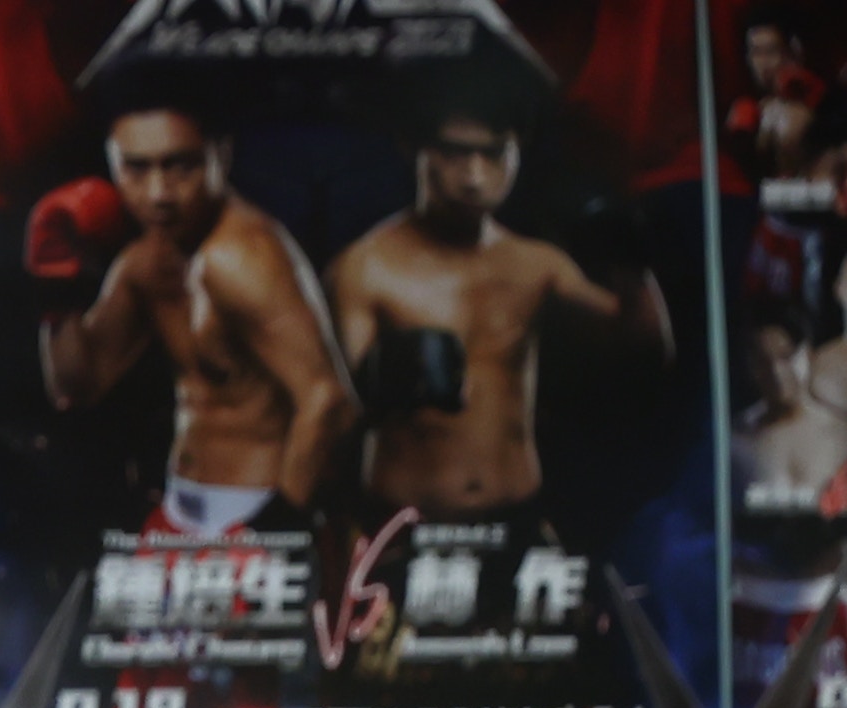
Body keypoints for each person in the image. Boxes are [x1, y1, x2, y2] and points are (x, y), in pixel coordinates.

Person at [325, 104, 663, 519]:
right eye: (455, 153)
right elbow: (333, 409)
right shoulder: (365, 267)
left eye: (494, 154)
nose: (474, 176)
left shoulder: (538, 265)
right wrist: (387, 378)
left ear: (517, 152)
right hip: (403, 518)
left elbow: (644, 351)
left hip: (516, 512)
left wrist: (633, 271)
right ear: (418, 151)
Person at [37, 103, 356, 536]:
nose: (158, 194)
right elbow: (76, 386)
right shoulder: (146, 261)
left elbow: (328, 399)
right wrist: (58, 285)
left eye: (180, 166)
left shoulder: (243, 257)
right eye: (136, 168)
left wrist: (277, 525)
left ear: (220, 154)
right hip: (180, 508)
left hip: (256, 505)